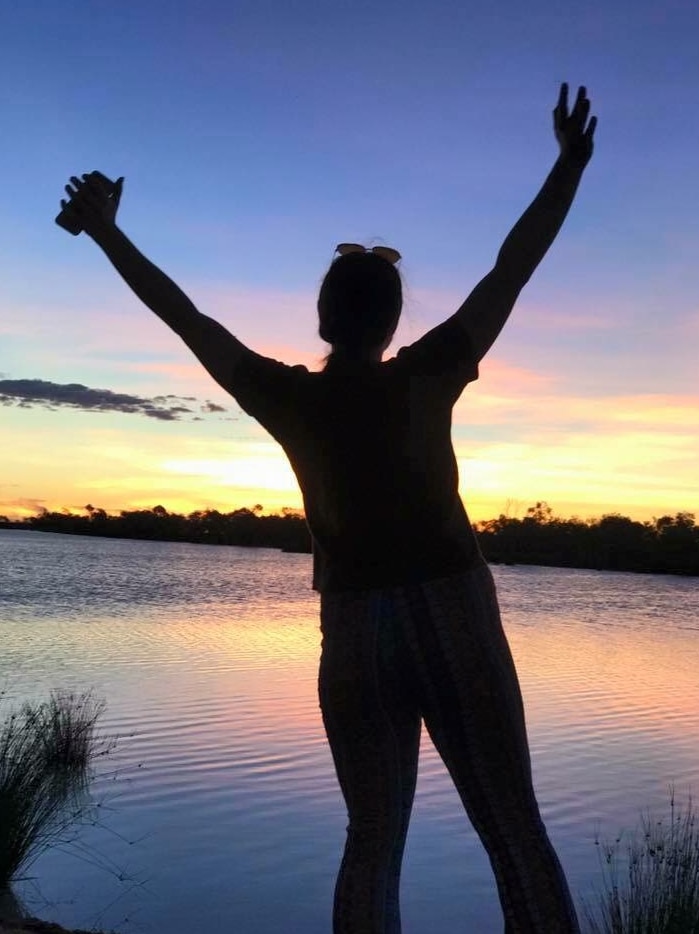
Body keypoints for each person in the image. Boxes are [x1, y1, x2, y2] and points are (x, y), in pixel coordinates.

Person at [58, 83, 596, 934]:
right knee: (514, 833)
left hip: (350, 629)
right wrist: (566, 169)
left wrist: (107, 231)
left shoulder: (286, 399)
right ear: (389, 320)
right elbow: (511, 267)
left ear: (319, 318)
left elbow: (184, 317)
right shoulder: (429, 370)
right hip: (452, 611)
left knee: (371, 843)